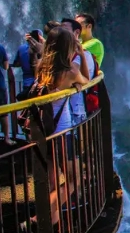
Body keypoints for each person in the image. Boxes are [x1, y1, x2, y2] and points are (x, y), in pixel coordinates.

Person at [20, 27, 90, 231]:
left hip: (43, 133)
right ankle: (36, 218)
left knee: (52, 184)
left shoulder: (41, 67)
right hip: (61, 134)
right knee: (75, 179)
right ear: (69, 47)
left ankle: (50, 224)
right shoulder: (70, 72)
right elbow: (85, 80)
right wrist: (82, 54)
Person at [61, 18, 94, 124]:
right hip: (63, 110)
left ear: (77, 32)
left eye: (65, 29)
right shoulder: (64, 54)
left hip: (77, 111)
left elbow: (77, 76)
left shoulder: (84, 55)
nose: (61, 32)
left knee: (78, 139)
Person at [12, 29, 43, 101]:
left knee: (27, 107)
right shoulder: (41, 49)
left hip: (26, 84)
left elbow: (16, 63)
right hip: (38, 85)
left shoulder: (21, 48)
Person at [0, 43, 15, 146]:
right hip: (0, 85)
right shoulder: (0, 48)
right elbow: (5, 66)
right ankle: (6, 138)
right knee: (3, 113)